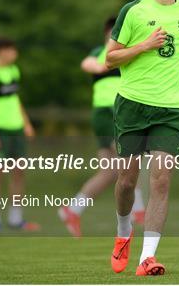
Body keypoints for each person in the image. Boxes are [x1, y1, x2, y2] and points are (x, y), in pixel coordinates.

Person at [105, 0, 179, 276]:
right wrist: (143, 46)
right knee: (126, 181)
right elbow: (110, 58)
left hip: (173, 107)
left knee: (161, 179)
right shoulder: (133, 12)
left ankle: (146, 258)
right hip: (133, 104)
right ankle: (123, 235)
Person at [58, 17, 145, 237]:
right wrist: (105, 61)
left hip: (117, 111)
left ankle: (72, 209)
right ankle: (138, 210)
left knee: (109, 171)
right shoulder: (104, 50)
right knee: (129, 159)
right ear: (109, 32)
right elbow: (88, 65)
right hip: (109, 111)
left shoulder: (128, 51)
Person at [0, 37, 39, 231]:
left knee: (19, 173)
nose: (15, 54)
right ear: (1, 51)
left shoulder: (13, 71)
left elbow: (14, 99)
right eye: (11, 50)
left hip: (16, 130)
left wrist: (26, 122)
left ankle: (15, 219)